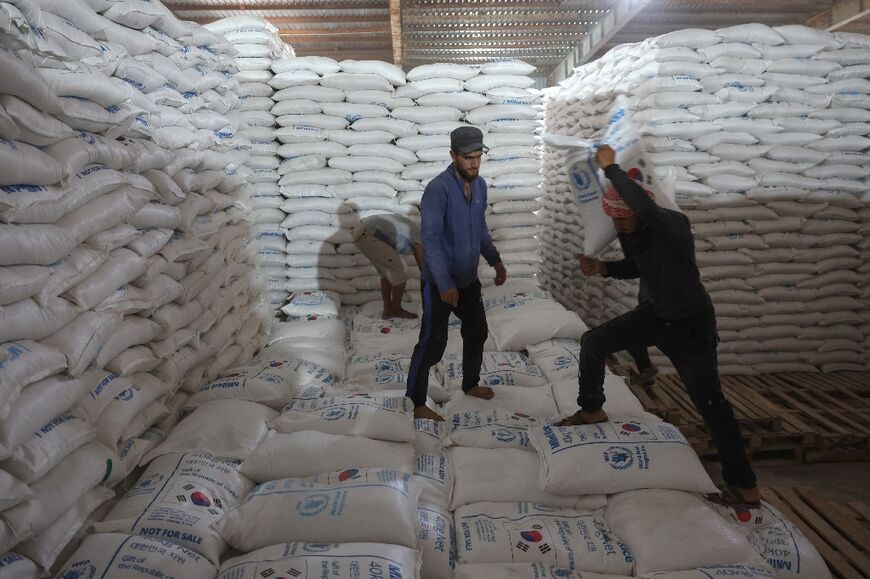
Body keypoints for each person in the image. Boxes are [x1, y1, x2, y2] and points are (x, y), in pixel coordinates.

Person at [555, 144, 761, 507]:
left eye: (622, 219)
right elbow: (638, 268)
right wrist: (604, 268)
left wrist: (612, 169)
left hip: (691, 324)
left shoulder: (670, 224)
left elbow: (644, 207)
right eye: (615, 221)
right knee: (593, 342)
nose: (618, 226)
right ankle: (592, 408)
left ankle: (744, 486)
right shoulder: (632, 233)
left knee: (711, 403)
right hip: (656, 315)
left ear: (635, 211)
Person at [405, 126, 508, 422]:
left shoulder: (480, 185)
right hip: (439, 282)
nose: (474, 164)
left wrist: (495, 261)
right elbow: (431, 241)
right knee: (433, 342)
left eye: (478, 157)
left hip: (468, 279)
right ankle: (417, 401)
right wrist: (444, 283)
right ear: (453, 156)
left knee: (477, 331)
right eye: (468, 158)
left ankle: (471, 382)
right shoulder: (437, 190)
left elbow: (480, 229)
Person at [353, 214, 424, 319]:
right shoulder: (420, 236)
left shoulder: (413, 232)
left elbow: (418, 255)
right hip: (368, 234)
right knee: (401, 271)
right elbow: (421, 258)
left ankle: (387, 309)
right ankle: (396, 309)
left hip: (362, 233)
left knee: (386, 273)